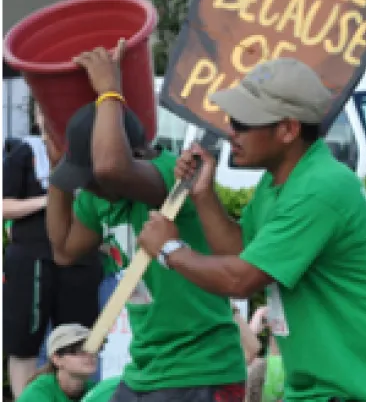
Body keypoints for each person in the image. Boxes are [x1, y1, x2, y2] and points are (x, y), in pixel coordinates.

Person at [137, 57, 366, 402]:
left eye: (242, 122)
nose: (230, 131)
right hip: (326, 389)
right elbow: (241, 252)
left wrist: (171, 250)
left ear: (288, 130)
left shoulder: (320, 188)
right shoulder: (280, 182)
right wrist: (203, 196)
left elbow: (241, 278)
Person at [45, 41, 246, 402]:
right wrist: (59, 172)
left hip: (200, 369)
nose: (89, 189)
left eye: (90, 180)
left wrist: (109, 90)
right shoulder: (98, 199)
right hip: (146, 371)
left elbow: (110, 168)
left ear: (135, 154)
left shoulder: (170, 179)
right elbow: (62, 250)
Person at [3, 109, 102, 399]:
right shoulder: (24, 152)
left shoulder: (94, 154)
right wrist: (50, 200)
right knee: (24, 341)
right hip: (32, 258)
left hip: (80, 259)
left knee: (81, 342)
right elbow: (4, 206)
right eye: (45, 108)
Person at [17, 323, 98, 401]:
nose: (90, 354)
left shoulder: (96, 390)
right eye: (78, 350)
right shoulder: (39, 391)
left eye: (93, 348)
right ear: (56, 359)